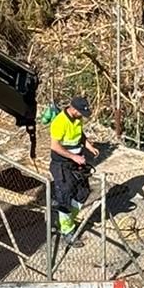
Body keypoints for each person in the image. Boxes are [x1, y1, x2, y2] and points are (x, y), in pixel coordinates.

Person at [49, 95, 99, 242]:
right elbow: (55, 146)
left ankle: (67, 220)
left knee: (82, 193)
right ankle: (67, 231)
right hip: (62, 164)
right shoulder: (59, 122)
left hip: (77, 163)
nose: (82, 116)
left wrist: (89, 146)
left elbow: (80, 135)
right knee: (65, 195)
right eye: (81, 112)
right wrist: (73, 156)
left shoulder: (78, 119)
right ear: (73, 109)